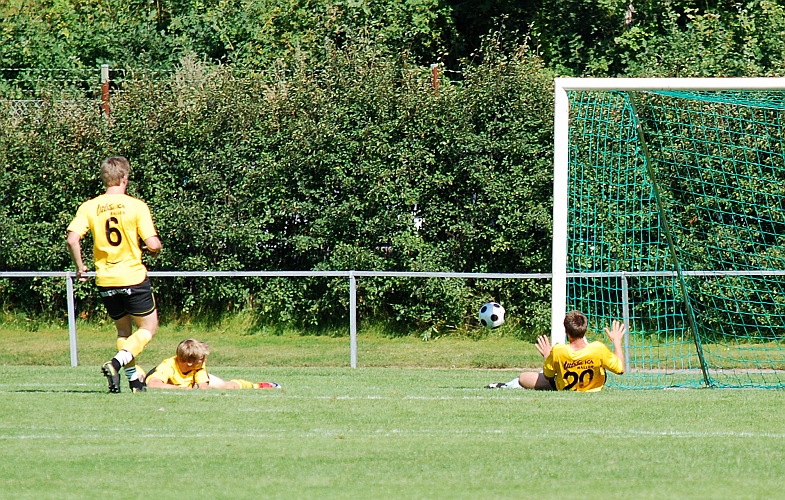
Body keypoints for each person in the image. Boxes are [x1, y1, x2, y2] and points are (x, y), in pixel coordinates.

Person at [66, 156, 162, 393]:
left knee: (123, 331)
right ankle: (116, 363)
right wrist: (156, 249)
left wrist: (80, 266)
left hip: (105, 279)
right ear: (124, 178)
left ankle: (134, 382)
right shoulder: (136, 206)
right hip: (132, 277)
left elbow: (72, 239)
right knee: (149, 327)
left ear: (104, 179)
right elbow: (153, 243)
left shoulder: (89, 206)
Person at [486, 311, 626, 392]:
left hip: (562, 386)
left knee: (523, 377)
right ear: (584, 328)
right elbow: (620, 369)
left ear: (566, 331)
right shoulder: (598, 348)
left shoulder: (559, 350)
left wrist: (548, 356)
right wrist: (617, 341)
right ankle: (504, 385)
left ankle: (504, 385)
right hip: (591, 386)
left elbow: (548, 375)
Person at [144, 339, 281, 390]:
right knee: (140, 377)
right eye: (201, 359)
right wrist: (182, 389)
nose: (204, 361)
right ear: (190, 362)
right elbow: (153, 384)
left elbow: (203, 386)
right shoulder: (168, 366)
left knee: (228, 386)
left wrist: (202, 387)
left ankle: (257, 385)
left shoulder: (198, 366)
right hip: (176, 383)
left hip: (190, 381)